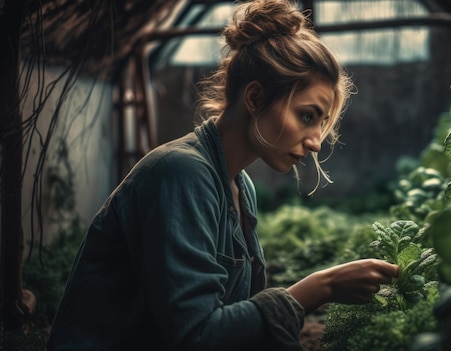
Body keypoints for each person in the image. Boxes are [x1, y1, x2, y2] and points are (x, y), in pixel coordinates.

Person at [47, 0, 399, 350]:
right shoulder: (180, 172)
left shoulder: (239, 184)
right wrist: (322, 287)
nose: (316, 143)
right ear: (256, 97)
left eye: (322, 124)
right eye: (308, 116)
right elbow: (196, 336)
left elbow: (235, 323)